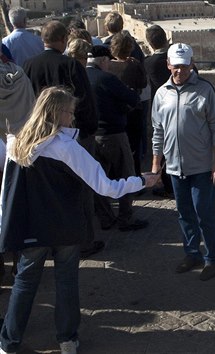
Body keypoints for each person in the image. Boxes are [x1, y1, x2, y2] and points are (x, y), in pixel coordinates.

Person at [0, 86, 158, 354]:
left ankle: (8, 343)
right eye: (70, 112)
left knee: (24, 283)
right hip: (64, 224)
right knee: (66, 281)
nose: (72, 118)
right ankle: (67, 339)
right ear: (58, 112)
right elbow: (104, 186)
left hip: (31, 225)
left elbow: (7, 190)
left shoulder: (16, 143)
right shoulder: (66, 148)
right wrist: (140, 181)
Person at [23, 20, 102, 258]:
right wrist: (88, 129)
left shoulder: (28, 65)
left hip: (40, 137)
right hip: (70, 134)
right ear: (63, 40)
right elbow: (85, 101)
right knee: (81, 187)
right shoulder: (70, 65)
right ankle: (84, 240)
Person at [151, 43, 215, 281]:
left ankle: (213, 258)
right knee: (184, 214)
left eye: (184, 66)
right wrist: (155, 165)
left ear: (192, 65)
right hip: (174, 167)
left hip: (201, 166)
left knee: (204, 214)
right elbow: (158, 131)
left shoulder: (205, 90)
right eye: (176, 66)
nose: (180, 71)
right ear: (168, 65)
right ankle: (191, 253)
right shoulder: (162, 93)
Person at [86, 45, 147, 231]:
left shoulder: (78, 77)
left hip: (90, 137)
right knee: (126, 176)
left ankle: (105, 218)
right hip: (113, 135)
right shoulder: (106, 79)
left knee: (96, 180)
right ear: (104, 60)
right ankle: (125, 218)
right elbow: (132, 99)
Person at [108, 32, 147, 176]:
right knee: (134, 147)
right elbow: (143, 83)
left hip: (115, 111)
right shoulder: (134, 64)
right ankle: (135, 177)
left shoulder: (107, 67)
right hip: (133, 109)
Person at [144, 25, 174, 198]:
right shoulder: (175, 58)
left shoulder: (149, 62)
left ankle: (168, 186)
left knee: (162, 146)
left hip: (161, 108)